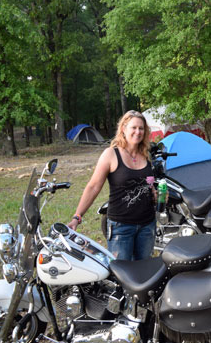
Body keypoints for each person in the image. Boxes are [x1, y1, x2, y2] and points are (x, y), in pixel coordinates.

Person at [67, 110, 156, 260]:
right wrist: (77, 216)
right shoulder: (111, 154)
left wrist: (155, 194)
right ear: (123, 129)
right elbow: (93, 187)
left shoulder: (146, 155)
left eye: (141, 128)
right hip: (121, 227)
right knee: (120, 271)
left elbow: (149, 184)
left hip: (147, 225)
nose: (138, 132)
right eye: (133, 127)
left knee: (145, 270)